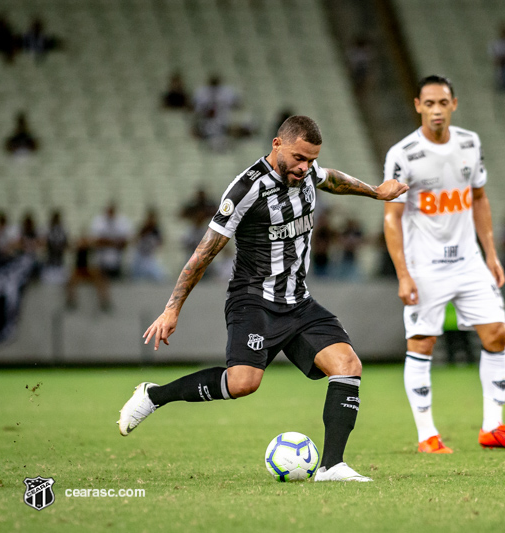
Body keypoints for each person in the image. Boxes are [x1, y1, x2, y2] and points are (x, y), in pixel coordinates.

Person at [118, 115, 408, 483]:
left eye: (311, 159)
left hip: (298, 301)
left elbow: (332, 178)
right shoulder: (245, 190)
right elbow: (203, 253)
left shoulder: (309, 171)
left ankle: (332, 466)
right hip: (254, 301)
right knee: (243, 384)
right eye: (299, 158)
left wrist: (375, 191)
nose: (305, 167)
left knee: (348, 365)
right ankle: (155, 396)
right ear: (276, 145)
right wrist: (171, 309)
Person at [383, 75, 505, 454]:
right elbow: (391, 218)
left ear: (454, 104)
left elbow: (479, 199)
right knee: (422, 342)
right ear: (417, 105)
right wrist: (402, 274)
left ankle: (492, 427)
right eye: (429, 103)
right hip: (425, 267)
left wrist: (492, 255)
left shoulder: (469, 143)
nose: (436, 110)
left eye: (442, 103)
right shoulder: (402, 154)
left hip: (469, 262)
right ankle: (426, 435)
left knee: (497, 334)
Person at [90, 203, 132, 279]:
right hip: (101, 259)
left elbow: (126, 242)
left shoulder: (122, 221)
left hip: (117, 259)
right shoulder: (99, 221)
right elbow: (96, 241)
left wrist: (106, 241)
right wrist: (115, 243)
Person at [131, 209, 166, 282]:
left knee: (159, 276)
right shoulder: (142, 229)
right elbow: (135, 241)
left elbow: (161, 243)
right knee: (137, 278)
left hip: (150, 257)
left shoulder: (156, 231)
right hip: (140, 256)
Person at [41, 210, 69, 284]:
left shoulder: (63, 229)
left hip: (59, 262)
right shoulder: (47, 229)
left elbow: (67, 244)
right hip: (50, 261)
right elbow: (43, 244)